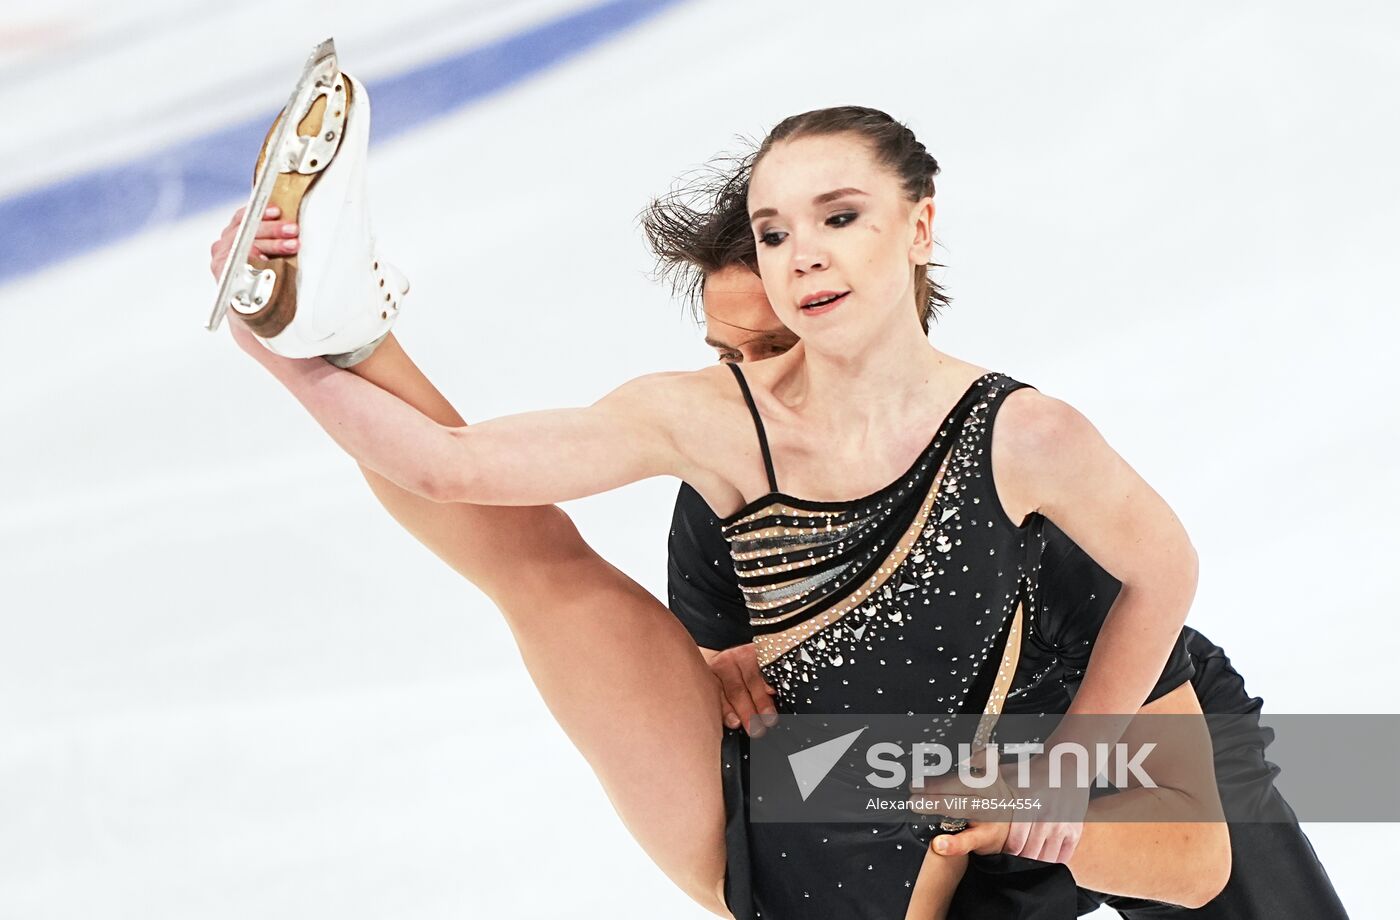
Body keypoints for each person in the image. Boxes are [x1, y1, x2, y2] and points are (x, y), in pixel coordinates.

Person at [211, 105, 1244, 919]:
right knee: (540, 567)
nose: (801, 266)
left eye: (834, 223)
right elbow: (452, 471)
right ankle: (343, 318)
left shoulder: (1025, 463)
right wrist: (290, 350)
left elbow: (1189, 847)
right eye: (776, 235)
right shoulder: (710, 428)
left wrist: (1047, 784)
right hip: (763, 820)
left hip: (941, 843)